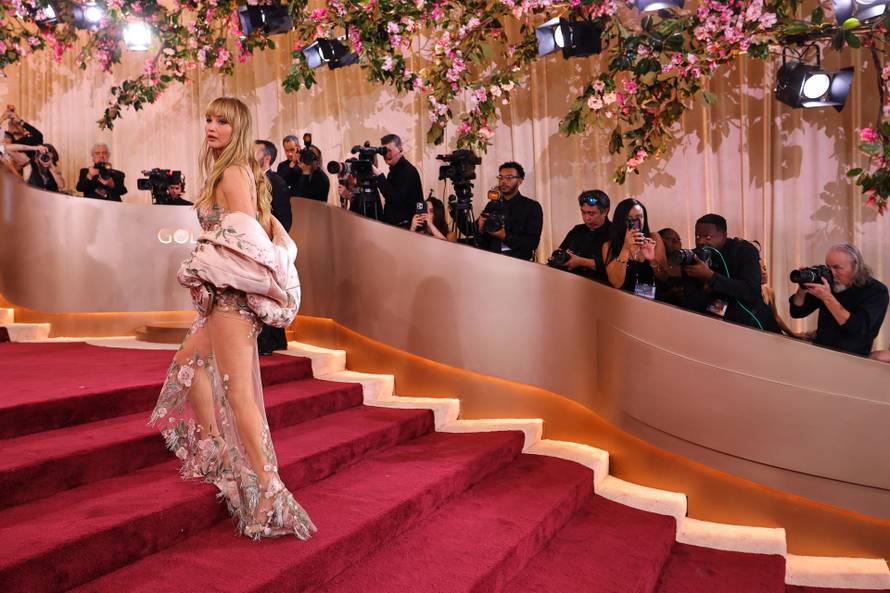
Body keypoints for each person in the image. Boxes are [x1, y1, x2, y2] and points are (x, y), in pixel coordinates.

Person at [148, 96, 316, 541]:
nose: (211, 126)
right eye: (208, 119)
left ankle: (268, 492)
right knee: (188, 365)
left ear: (237, 128)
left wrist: (201, 263)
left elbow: (249, 244)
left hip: (232, 303)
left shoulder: (234, 171)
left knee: (239, 395)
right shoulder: (231, 170)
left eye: (221, 121)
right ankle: (219, 451)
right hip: (223, 301)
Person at [681, 214, 779, 332]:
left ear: (724, 235)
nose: (701, 241)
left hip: (753, 325)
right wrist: (704, 288)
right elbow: (688, 303)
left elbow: (751, 291)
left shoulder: (743, 250)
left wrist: (711, 276)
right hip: (716, 330)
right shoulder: (693, 258)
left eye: (708, 237)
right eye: (697, 236)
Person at [789, 242, 889, 356]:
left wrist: (828, 298)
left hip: (852, 358)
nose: (832, 273)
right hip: (820, 351)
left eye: (837, 268)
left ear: (855, 267)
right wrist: (802, 289)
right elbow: (796, 312)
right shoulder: (829, 283)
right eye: (828, 267)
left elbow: (858, 330)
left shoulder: (876, 291)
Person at [254, 139, 293, 355]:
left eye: (255, 151)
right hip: (257, 243)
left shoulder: (276, 182)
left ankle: (268, 341)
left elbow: (285, 218)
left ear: (266, 157)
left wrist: (273, 243)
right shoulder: (250, 179)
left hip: (270, 245)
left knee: (268, 293)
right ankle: (275, 340)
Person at [476, 162, 543, 261]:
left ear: (520, 181)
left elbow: (532, 243)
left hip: (517, 262)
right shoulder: (492, 204)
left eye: (509, 177)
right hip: (488, 259)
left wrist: (504, 236)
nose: (503, 181)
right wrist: (480, 228)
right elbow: (474, 233)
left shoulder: (532, 206)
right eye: (501, 177)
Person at [602, 198, 668, 299]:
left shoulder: (653, 238)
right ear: (621, 220)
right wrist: (625, 248)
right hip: (624, 301)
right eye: (629, 218)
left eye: (639, 217)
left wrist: (652, 260)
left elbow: (664, 277)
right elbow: (616, 283)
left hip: (653, 302)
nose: (634, 222)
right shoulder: (609, 246)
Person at [552, 190, 611, 281]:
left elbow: (614, 267)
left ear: (605, 211)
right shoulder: (577, 230)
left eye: (591, 213)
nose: (586, 218)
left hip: (601, 286)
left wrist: (580, 261)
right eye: (583, 212)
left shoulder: (615, 232)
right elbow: (561, 252)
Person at [373, 133, 423, 228]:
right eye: (384, 151)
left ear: (400, 149)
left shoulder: (408, 171)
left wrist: (379, 175)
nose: (387, 154)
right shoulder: (394, 171)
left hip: (407, 229)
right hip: (396, 228)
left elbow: (395, 199)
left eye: (389, 151)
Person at [254, 140, 292, 231]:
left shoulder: (277, 183)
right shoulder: (245, 178)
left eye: (253, 153)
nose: (248, 157)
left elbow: (284, 221)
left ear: (267, 158)